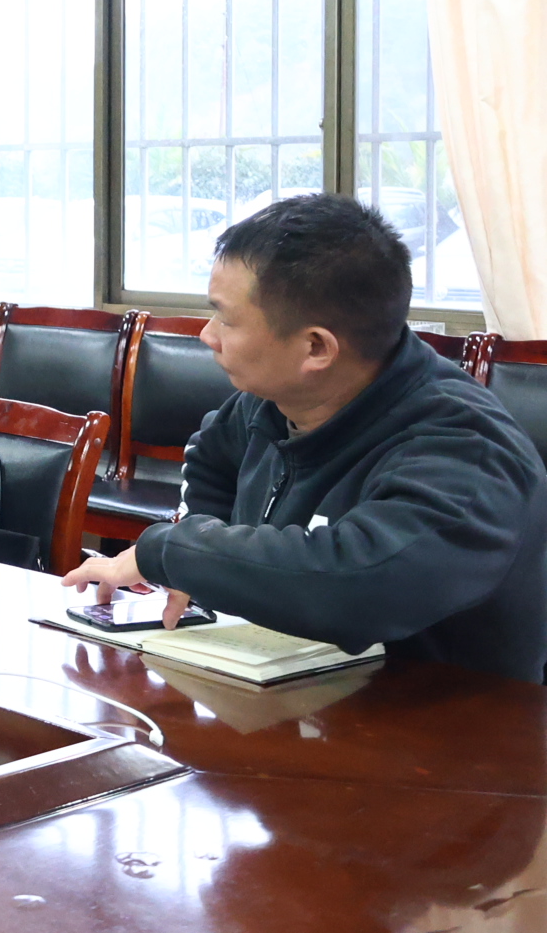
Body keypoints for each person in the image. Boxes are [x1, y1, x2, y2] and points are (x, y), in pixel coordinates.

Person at [63, 195, 547, 682]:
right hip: (284, 689)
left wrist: (177, 553)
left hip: (439, 716)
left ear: (316, 347)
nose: (208, 336)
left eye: (226, 319)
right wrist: (201, 563)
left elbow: (357, 583)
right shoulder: (271, 400)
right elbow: (212, 459)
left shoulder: (470, 454)